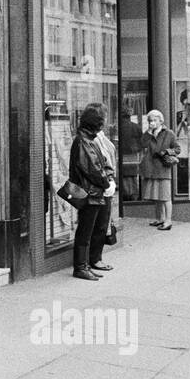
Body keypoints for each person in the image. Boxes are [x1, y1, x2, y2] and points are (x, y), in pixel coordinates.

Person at [68, 106, 116, 279]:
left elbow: (96, 165)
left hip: (91, 191)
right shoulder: (84, 141)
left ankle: (85, 265)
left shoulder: (86, 139)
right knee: (85, 231)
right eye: (101, 122)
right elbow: (93, 169)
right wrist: (106, 183)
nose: (103, 125)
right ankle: (81, 267)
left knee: (88, 230)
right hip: (90, 192)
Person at [87, 102, 117, 266]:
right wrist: (107, 182)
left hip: (106, 184)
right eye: (103, 117)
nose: (106, 120)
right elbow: (98, 163)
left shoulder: (101, 136)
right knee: (98, 225)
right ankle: (94, 259)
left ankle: (95, 257)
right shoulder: (92, 139)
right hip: (99, 186)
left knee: (102, 223)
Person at [140, 109, 180, 230]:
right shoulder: (149, 133)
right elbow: (142, 144)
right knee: (156, 197)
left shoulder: (169, 133)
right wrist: (148, 132)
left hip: (163, 168)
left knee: (165, 197)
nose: (152, 122)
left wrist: (166, 152)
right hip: (151, 168)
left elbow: (177, 149)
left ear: (160, 120)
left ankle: (168, 221)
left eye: (154, 120)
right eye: (150, 120)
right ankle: (160, 219)